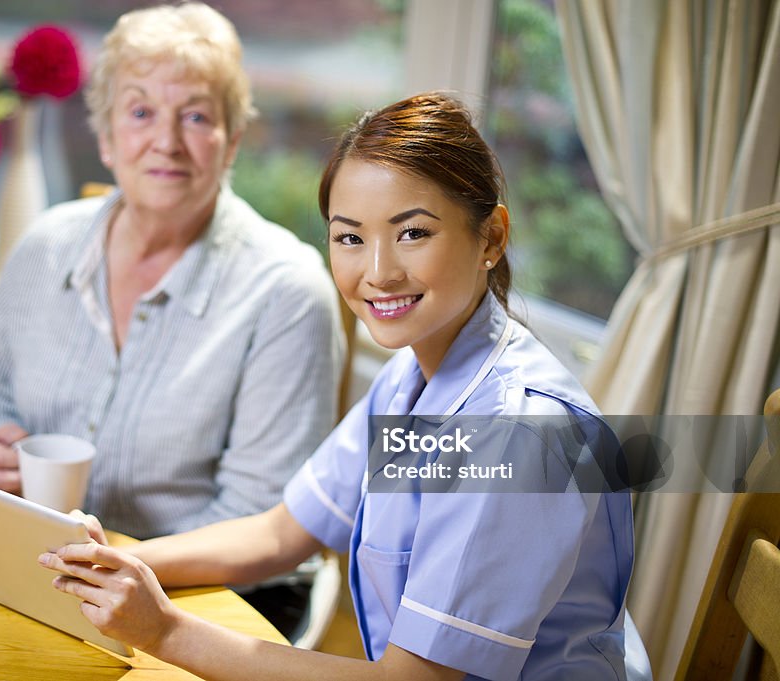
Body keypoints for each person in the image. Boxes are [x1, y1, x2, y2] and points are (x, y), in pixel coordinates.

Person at [38, 92, 641, 680]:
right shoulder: (415, 373)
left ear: (491, 238)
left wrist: (165, 631)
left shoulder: (517, 435)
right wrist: (107, 565)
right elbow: (281, 533)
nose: (377, 272)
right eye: (350, 237)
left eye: (413, 233)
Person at [0, 2, 343, 540]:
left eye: (197, 116)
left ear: (231, 143)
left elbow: (260, 517)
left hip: (202, 600)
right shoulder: (43, 246)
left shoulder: (286, 292)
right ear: (106, 138)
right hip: (41, 563)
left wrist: (116, 570)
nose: (166, 141)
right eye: (140, 112)